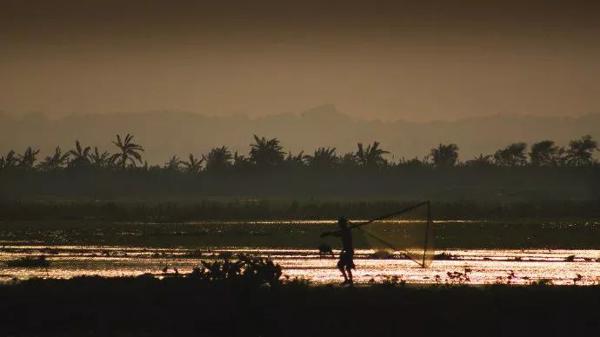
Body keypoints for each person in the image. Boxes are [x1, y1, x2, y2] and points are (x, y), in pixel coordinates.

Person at [321, 216, 355, 285]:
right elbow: (337, 234)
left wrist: (328, 233)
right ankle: (348, 280)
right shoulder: (345, 230)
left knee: (345, 266)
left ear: (343, 224)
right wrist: (328, 233)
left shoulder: (346, 231)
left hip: (348, 251)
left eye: (340, 223)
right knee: (343, 266)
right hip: (346, 251)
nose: (339, 225)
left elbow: (337, 234)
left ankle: (349, 281)